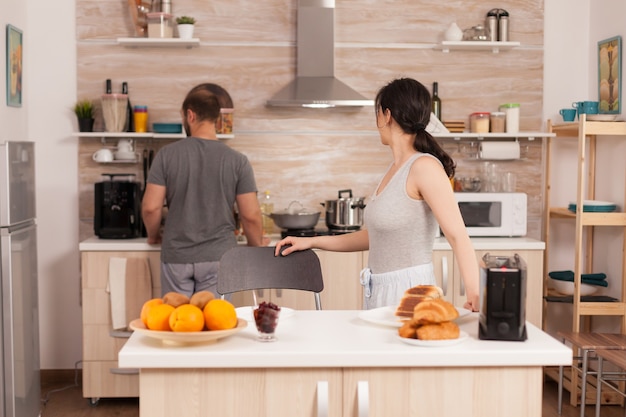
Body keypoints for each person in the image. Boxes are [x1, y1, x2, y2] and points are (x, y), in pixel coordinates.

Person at [275, 78, 480, 311]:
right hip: (380, 289)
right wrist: (312, 241)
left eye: (377, 114)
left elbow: (457, 235)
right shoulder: (394, 170)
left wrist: (474, 291)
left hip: (411, 293)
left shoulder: (424, 167)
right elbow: (377, 236)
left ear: (387, 115)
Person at [142, 86, 267, 297]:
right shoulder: (237, 161)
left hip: (177, 257)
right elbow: (251, 215)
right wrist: (256, 243)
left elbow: (151, 208)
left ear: (190, 115)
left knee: (179, 323)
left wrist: (153, 236)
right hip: (219, 257)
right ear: (217, 120)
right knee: (214, 325)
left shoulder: (166, 155)